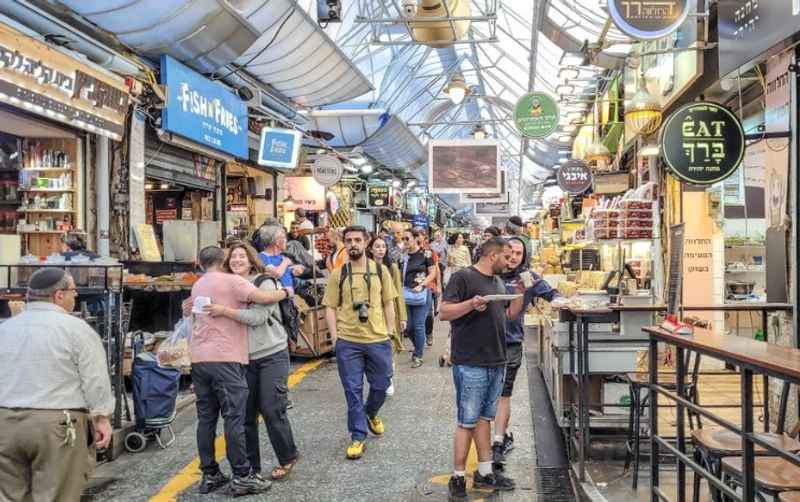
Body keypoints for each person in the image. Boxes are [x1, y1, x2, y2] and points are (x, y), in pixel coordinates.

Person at [0, 268, 114, 502]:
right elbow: (95, 379)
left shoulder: (5, 329)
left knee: (9, 496)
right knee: (56, 496)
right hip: (57, 424)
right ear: (58, 295)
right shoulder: (76, 329)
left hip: (5, 422)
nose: (76, 297)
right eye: (73, 291)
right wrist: (101, 416)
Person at [185, 246, 287, 495]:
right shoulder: (232, 281)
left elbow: (192, 314)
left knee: (206, 418)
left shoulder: (198, 285)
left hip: (200, 358)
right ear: (223, 261)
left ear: (200, 262)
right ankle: (242, 475)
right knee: (235, 417)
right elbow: (263, 299)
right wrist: (285, 291)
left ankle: (209, 474)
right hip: (226, 358)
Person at [205, 242, 300, 481]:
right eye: (233, 257)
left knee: (271, 408)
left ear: (251, 259)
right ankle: (251, 468)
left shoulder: (264, 282)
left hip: (272, 354)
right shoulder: (226, 285)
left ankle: (287, 456)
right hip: (241, 358)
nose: (237, 260)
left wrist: (225, 312)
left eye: (241, 256)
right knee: (245, 416)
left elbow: (258, 317)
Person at [440, 237, 521, 500]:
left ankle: (485, 471)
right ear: (492, 255)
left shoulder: (497, 282)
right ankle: (458, 477)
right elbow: (444, 312)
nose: (510, 261)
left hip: (496, 359)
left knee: (485, 418)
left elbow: (509, 314)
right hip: (470, 361)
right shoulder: (463, 277)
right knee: (467, 420)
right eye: (506, 256)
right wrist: (471, 304)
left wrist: (522, 292)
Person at [322, 226, 397, 460]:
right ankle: (357, 437)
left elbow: (388, 303)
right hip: (348, 341)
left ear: (366, 243)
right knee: (352, 391)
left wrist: (390, 331)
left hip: (377, 339)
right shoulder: (339, 273)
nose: (353, 244)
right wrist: (335, 337)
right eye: (349, 240)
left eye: (357, 240)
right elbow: (330, 307)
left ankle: (371, 412)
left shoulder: (379, 270)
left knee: (382, 385)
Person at [493, 237, 560, 466]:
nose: (513, 256)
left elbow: (553, 295)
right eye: (509, 251)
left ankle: (498, 441)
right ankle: (496, 436)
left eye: (518, 253)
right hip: (483, 344)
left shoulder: (527, 278)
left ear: (524, 256)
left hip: (511, 343)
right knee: (488, 395)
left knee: (503, 393)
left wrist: (571, 304)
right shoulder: (490, 274)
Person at [369, 235, 408, 395]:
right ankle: (378, 377)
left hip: (390, 312)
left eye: (383, 247)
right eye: (377, 246)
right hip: (372, 313)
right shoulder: (365, 267)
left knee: (389, 347)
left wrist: (403, 317)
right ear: (370, 249)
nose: (380, 250)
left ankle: (388, 378)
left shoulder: (392, 268)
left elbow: (398, 292)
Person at [401, 228, 437, 368]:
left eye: (407, 238)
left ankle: (419, 356)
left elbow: (432, 273)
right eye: (403, 239)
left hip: (421, 293)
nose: (404, 242)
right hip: (405, 293)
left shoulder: (426, 254)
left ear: (416, 238)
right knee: (408, 327)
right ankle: (418, 347)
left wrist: (422, 285)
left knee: (418, 325)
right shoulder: (403, 256)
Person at [257, 225, 296, 295]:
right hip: (277, 300)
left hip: (288, 297)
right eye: (284, 238)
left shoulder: (281, 256)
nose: (286, 240)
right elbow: (276, 273)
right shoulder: (263, 257)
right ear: (277, 242)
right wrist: (286, 262)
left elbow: (287, 273)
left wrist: (295, 269)